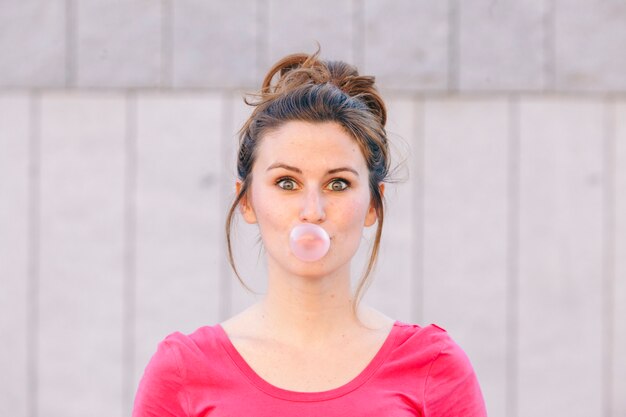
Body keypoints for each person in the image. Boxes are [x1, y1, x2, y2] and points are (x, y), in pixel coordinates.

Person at [132, 50, 487, 416]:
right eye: (287, 182)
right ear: (247, 201)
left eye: (338, 184)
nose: (312, 211)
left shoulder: (434, 367)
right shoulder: (183, 373)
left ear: (372, 205)